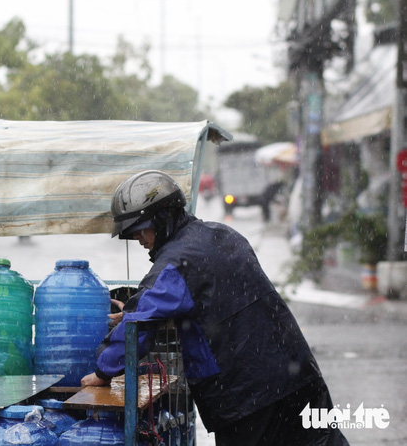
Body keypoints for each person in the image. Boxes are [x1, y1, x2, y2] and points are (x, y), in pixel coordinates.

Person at [80, 170, 349, 445]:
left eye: (140, 229)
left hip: (247, 398)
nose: (138, 239)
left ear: (161, 219)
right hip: (297, 374)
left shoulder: (176, 263)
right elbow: (217, 302)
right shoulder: (223, 234)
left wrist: (103, 370)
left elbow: (139, 326)